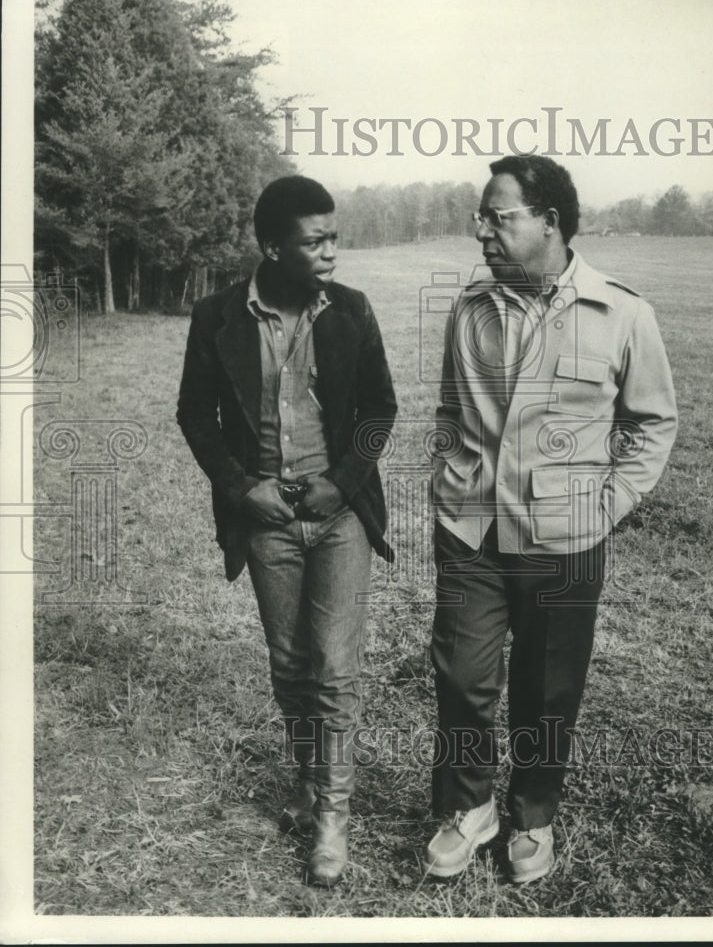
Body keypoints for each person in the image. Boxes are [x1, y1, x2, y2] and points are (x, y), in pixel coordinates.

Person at [425, 155, 677, 883]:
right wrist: (449, 475)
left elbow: (652, 421)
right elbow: (449, 407)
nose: (481, 231)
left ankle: (532, 815)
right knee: (460, 676)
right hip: (472, 527)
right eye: (481, 217)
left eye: (497, 217)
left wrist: (612, 500)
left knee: (546, 688)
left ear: (549, 223)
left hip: (566, 539)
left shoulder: (621, 312)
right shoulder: (469, 306)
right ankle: (469, 808)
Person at [177, 175, 397, 887]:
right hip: (267, 520)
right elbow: (196, 417)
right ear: (273, 247)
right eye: (315, 241)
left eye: (334, 237)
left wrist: (341, 483)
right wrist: (246, 490)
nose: (331, 251)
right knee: (291, 667)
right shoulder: (215, 316)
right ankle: (307, 781)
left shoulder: (351, 311)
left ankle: (332, 818)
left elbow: (377, 410)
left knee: (334, 669)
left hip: (338, 518)